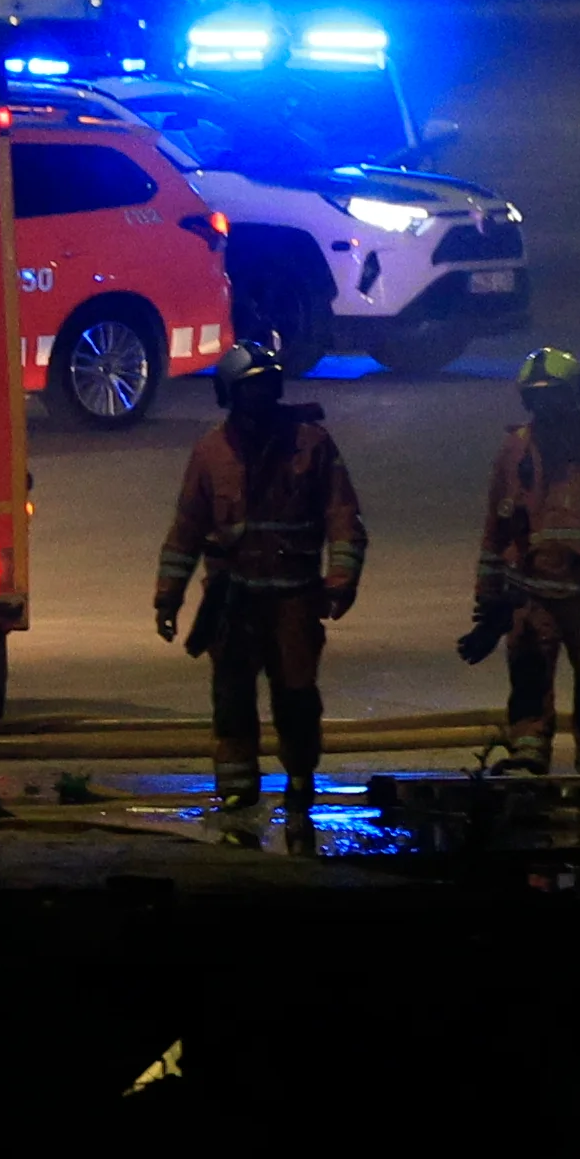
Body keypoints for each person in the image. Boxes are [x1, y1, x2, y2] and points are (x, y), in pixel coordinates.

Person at [152, 339, 368, 836]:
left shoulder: (310, 444)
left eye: (267, 388)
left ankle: (299, 776)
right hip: (233, 601)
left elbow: (342, 516)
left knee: (295, 695)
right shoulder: (210, 453)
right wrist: (168, 596)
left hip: (293, 597)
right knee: (231, 697)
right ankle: (236, 784)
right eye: (250, 391)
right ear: (228, 395)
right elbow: (185, 530)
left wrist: (341, 579)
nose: (261, 400)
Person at [462, 343, 580, 771]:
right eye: (538, 397)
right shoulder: (515, 451)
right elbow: (497, 529)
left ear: (575, 395)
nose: (547, 406)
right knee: (528, 679)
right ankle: (527, 760)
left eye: (555, 395)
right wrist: (489, 602)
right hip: (530, 597)